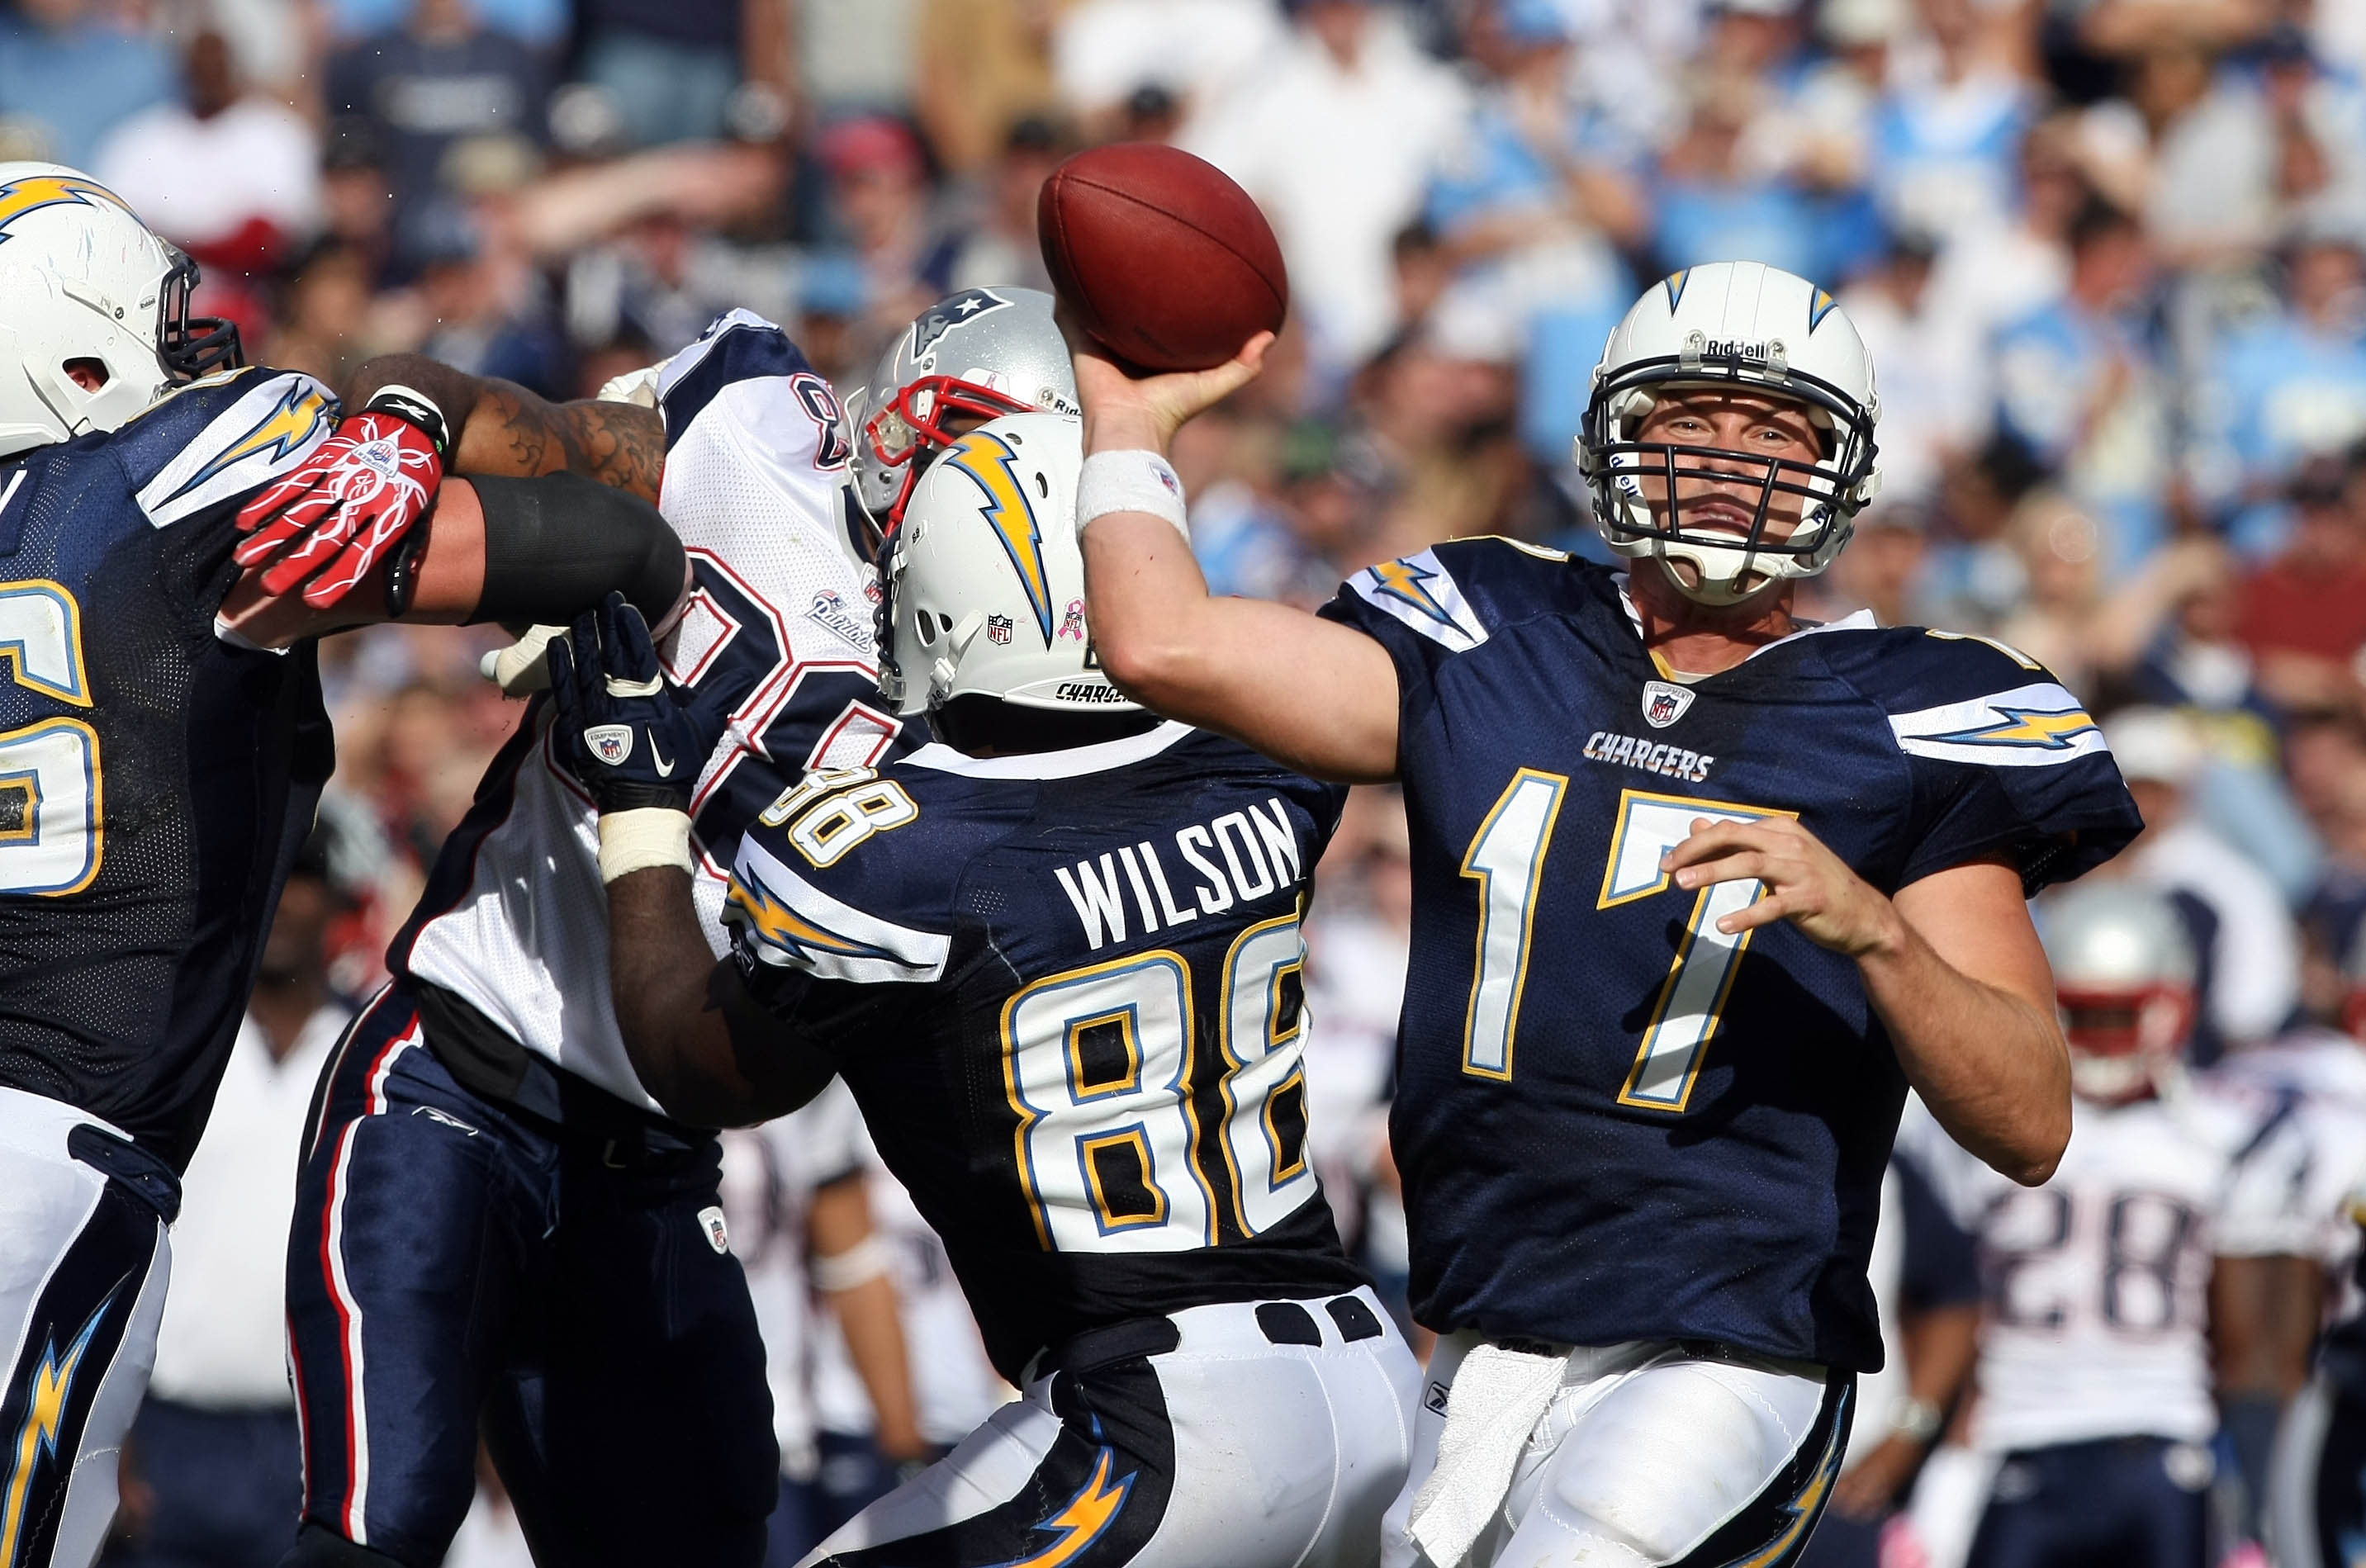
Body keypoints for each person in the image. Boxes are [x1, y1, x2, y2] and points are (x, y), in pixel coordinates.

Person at [1069, 258, 2144, 1568]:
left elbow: (2029, 1118)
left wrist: (1872, 926)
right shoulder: (1489, 631)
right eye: (1689, 417)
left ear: (1844, 469)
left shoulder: (1906, 717)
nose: (1729, 459)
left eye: (1776, 431)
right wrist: (1128, 428)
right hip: (1481, 1326)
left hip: (1733, 1338)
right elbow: (1159, 645)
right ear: (1615, 435)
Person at [275, 287, 1081, 1568]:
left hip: (655, 1164)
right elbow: (494, 412)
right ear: (906, 432)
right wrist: (405, 428)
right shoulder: (754, 436)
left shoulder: (1021, 695)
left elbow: (755, 1069)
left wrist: (645, 808)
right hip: (457, 1069)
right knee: (382, 1528)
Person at [553, 410, 1421, 1566]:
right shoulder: (1264, 762)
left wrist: (640, 804)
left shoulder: (894, 853)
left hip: (1161, 1417)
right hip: (1375, 1383)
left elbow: (697, 1063)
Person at [0, 162, 685, 1568]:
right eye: (157, 316)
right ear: (71, 345)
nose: (195, 343)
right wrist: (409, 428)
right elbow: (617, 541)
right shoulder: (170, 480)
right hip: (50, 1160)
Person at [1923, 881, 2301, 1568]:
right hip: (2024, 1438)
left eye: (2114, 1015)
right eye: (2083, 1014)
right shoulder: (2214, 1132)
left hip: (2156, 1438)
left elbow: (2246, 1342)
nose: (2097, 1037)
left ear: (2170, 1007)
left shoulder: (2218, 1133)